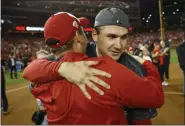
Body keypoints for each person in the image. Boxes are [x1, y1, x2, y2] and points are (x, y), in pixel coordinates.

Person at [23, 11, 164, 125]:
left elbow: (31, 75)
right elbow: (156, 96)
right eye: (111, 37)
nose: (119, 45)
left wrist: (60, 68)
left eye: (124, 37)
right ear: (92, 35)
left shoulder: (44, 77)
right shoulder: (106, 68)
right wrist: (63, 68)